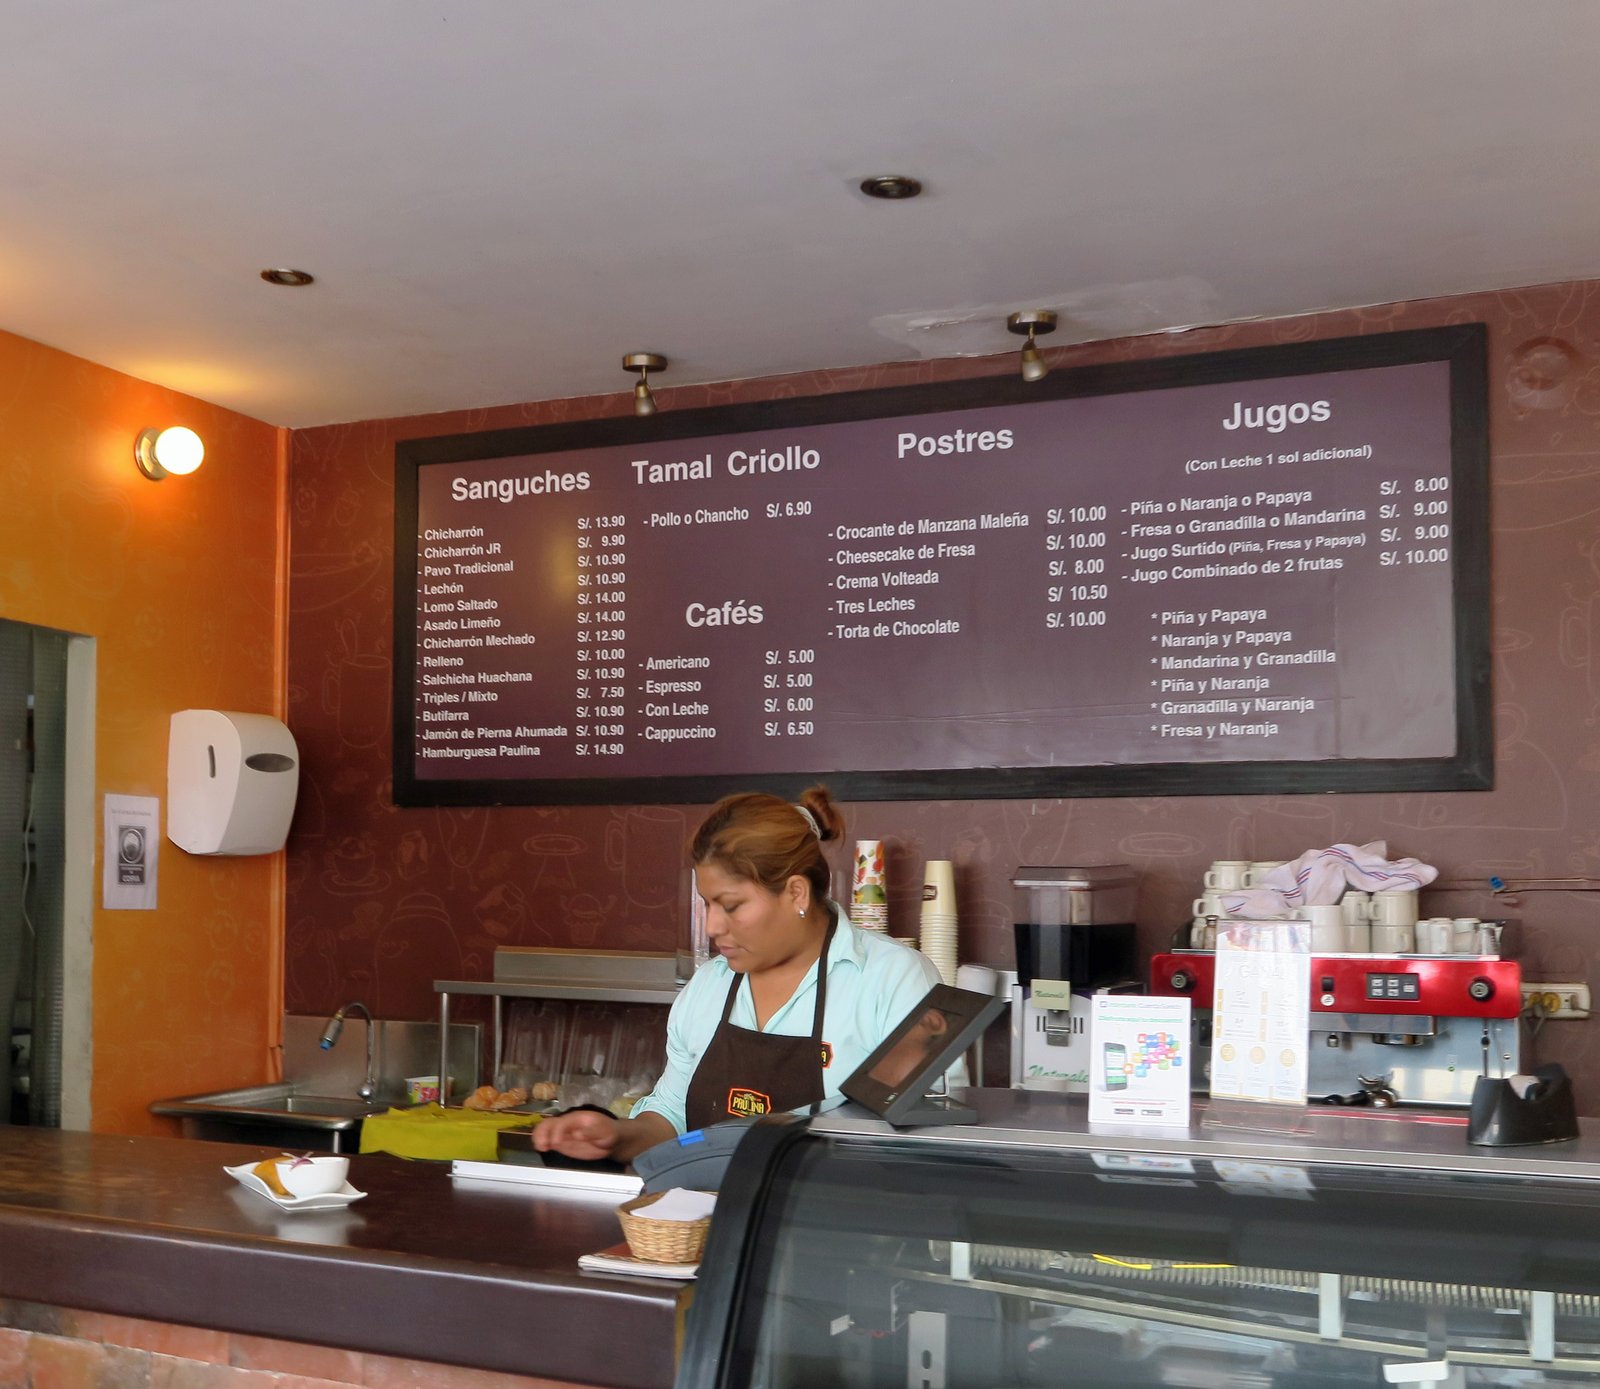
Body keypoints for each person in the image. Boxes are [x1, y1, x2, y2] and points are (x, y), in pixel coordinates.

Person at [534, 785, 944, 1164]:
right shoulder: (709, 986)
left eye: (730, 906)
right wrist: (616, 1137)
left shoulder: (891, 980)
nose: (713, 926)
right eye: (707, 904)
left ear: (796, 893)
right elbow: (674, 1119)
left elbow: (929, 1139)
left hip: (836, 1217)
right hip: (707, 1216)